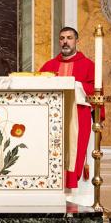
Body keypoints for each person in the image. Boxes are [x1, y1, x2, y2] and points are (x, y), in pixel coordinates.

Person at [40, 27, 102, 191]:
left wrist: (76, 85)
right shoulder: (49, 65)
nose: (65, 41)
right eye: (62, 38)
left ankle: (74, 189)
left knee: (76, 151)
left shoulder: (88, 65)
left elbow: (96, 90)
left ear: (76, 41)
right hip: (52, 119)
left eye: (69, 38)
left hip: (78, 116)